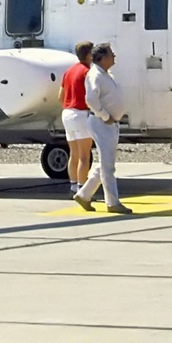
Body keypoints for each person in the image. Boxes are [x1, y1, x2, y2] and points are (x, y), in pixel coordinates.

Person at [72, 43, 130, 214]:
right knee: (108, 166)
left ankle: (84, 195)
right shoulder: (95, 74)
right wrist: (106, 116)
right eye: (111, 54)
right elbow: (91, 99)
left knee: (104, 162)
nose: (114, 57)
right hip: (101, 123)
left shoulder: (105, 74)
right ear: (103, 58)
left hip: (109, 123)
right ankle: (112, 202)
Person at [60, 41, 95, 195]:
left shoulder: (68, 72)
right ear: (89, 55)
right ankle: (82, 188)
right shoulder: (88, 72)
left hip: (67, 113)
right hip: (81, 113)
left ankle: (73, 185)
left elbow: (60, 96)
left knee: (73, 154)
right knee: (84, 156)